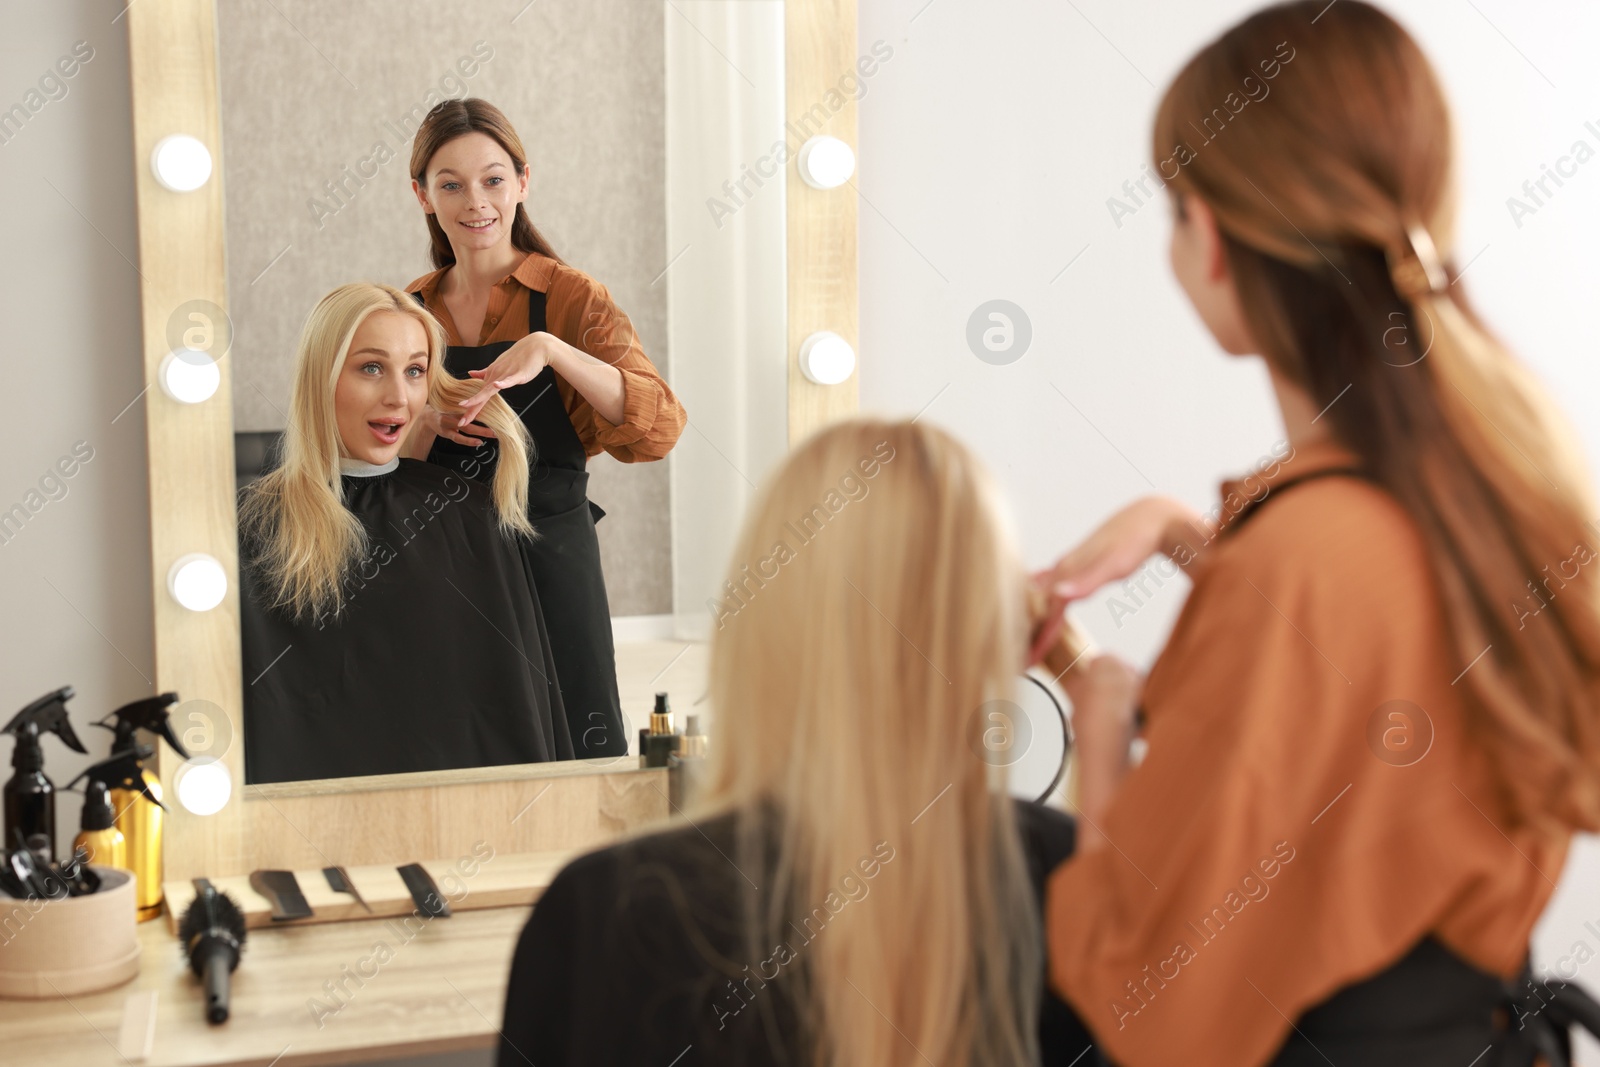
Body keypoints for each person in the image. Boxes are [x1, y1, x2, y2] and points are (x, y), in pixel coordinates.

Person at [1031, 3, 1600, 1064]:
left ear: (1204, 237)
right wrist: (1176, 532)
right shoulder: (1494, 500)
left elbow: (1151, 1008)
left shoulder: (1305, 566)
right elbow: (1386, 662)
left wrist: (1099, 712)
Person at [496, 418, 1096, 1066]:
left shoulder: (604, 914)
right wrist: (1095, 692)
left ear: (757, 621)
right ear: (1004, 630)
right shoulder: (1070, 878)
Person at [404, 98, 687, 759]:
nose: (476, 201)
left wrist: (553, 350)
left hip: (549, 551)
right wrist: (423, 422)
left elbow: (661, 425)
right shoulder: (407, 309)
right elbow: (370, 450)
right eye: (450, 183)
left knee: (577, 733)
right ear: (422, 195)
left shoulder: (569, 296)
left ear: (523, 182)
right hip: (446, 556)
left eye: (494, 179)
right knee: (458, 737)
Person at [239, 283, 574, 783]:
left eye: (415, 371)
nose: (399, 397)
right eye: (371, 368)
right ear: (321, 377)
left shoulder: (470, 512)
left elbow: (513, 711)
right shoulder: (256, 523)